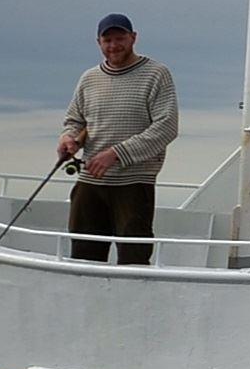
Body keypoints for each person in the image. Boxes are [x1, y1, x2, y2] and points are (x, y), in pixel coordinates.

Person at [59, 14, 178, 265]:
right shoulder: (89, 78)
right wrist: (68, 138)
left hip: (135, 183)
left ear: (133, 38)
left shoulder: (156, 74)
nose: (114, 45)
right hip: (90, 181)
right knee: (83, 256)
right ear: (98, 43)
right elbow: (74, 120)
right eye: (107, 40)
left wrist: (116, 153)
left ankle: (133, 303)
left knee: (134, 257)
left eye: (120, 38)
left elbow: (167, 127)